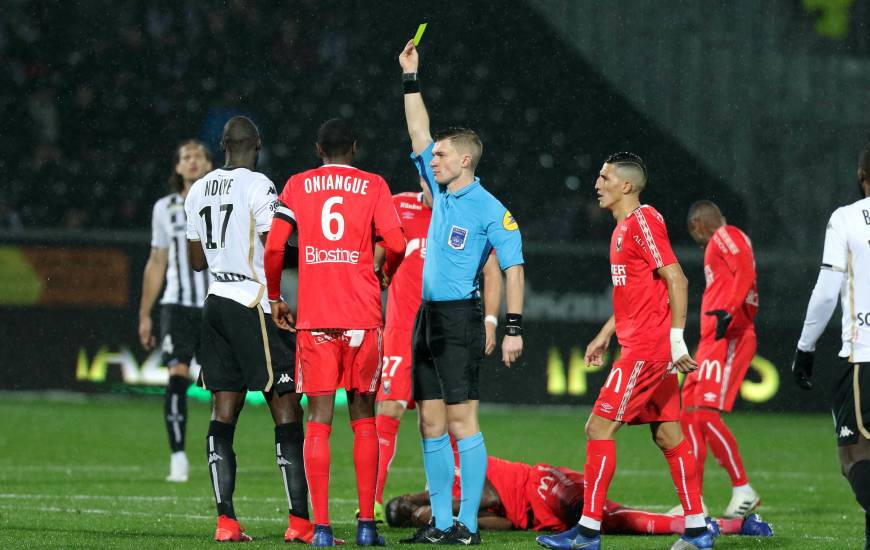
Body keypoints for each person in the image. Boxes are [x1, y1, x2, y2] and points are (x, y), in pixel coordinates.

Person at [540, 153, 710, 550]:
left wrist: (676, 340)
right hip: (642, 344)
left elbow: (677, 278)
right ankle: (699, 530)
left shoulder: (643, 221)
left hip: (647, 350)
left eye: (605, 177)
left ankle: (587, 533)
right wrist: (604, 334)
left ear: (627, 186)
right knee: (669, 435)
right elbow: (638, 294)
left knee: (598, 428)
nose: (597, 184)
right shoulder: (621, 229)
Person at [399, 38, 525, 545]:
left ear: (466, 159)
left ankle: (468, 526)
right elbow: (417, 128)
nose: (434, 158)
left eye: (443, 154)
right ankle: (442, 524)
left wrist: (510, 327)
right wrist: (411, 76)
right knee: (428, 420)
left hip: (460, 319)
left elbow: (513, 269)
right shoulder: (442, 194)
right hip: (426, 317)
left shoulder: (491, 209)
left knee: (459, 419)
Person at [264, 117, 406, 547]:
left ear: (318, 149)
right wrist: (384, 270)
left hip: (317, 317)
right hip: (362, 316)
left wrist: (275, 297)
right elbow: (397, 242)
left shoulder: (297, 185)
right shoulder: (375, 185)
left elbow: (274, 247)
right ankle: (366, 526)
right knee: (364, 417)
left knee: (318, 419)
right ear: (355, 148)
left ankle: (322, 529)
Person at [184, 117, 311, 543]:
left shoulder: (197, 189)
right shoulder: (260, 186)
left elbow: (197, 261)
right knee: (287, 407)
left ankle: (226, 522)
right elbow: (275, 247)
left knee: (223, 412)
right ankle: (299, 522)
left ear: (222, 146)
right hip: (252, 301)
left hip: (215, 302)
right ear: (257, 144)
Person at [372, 180, 504, 523]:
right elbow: (375, 259)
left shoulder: (466, 211)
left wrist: (491, 321)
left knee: (445, 421)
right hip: (402, 330)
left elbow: (493, 270)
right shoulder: (399, 206)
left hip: (448, 331)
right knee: (388, 408)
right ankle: (369, 503)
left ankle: (450, 508)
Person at [385, 455, 772, 539]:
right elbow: (506, 521)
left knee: (606, 517)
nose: (410, 511)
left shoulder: (450, 467)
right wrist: (445, 520)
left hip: (545, 483)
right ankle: (725, 523)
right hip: (544, 513)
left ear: (409, 495)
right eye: (405, 516)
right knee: (614, 521)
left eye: (404, 506)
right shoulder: (447, 503)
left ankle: (706, 521)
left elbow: (486, 493)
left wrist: (438, 510)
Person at [793, 145, 870, 550]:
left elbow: (827, 292)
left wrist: (806, 346)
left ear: (862, 174)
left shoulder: (848, 218)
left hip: (864, 356)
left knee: (855, 459)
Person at [676, 200, 761, 518]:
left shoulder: (724, 235)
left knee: (706, 416)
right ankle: (693, 504)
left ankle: (743, 489)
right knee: (688, 415)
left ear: (698, 225)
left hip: (729, 337)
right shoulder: (722, 242)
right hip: (712, 341)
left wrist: (729, 310)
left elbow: (746, 271)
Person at [138, 139, 212, 483]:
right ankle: (178, 456)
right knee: (177, 375)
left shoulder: (220, 200)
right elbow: (157, 260)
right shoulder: (164, 208)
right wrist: (145, 313)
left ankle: (217, 452)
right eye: (186, 156)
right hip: (177, 305)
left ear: (210, 164)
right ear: (178, 167)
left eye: (199, 155)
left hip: (216, 303)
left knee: (223, 384)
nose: (192, 160)